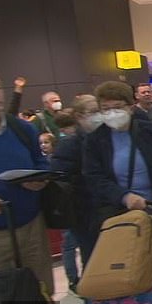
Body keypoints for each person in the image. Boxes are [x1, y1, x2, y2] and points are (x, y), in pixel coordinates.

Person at [82, 81, 152, 259]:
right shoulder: (95, 140)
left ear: (130, 107)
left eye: (117, 107)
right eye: (105, 108)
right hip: (119, 216)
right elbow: (94, 177)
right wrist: (123, 196)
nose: (112, 113)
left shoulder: (149, 131)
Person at [0, 73, 53, 295]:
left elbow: (40, 162)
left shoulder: (23, 129)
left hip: (32, 226)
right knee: (6, 299)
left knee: (41, 291)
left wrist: (41, 178)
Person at [50, 95, 103, 291]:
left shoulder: (104, 138)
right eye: (93, 112)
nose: (99, 116)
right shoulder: (70, 144)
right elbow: (59, 180)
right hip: (85, 213)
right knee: (92, 260)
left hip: (107, 210)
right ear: (79, 116)